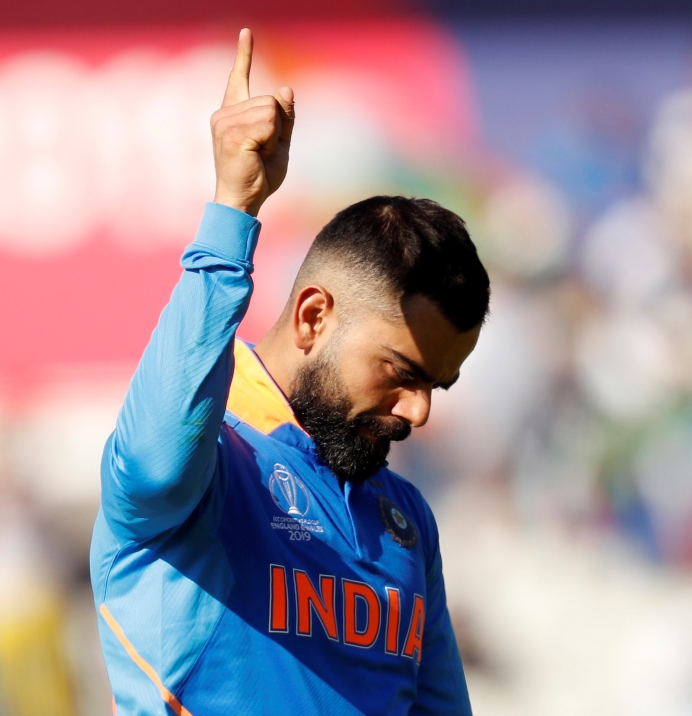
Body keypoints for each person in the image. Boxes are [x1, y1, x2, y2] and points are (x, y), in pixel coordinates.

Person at [91, 28, 489, 716]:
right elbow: (156, 465)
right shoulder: (207, 466)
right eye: (401, 371)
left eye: (435, 385)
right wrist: (232, 214)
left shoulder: (406, 523)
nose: (418, 412)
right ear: (312, 318)